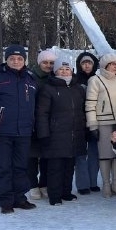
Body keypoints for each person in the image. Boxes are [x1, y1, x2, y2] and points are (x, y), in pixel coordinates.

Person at [0, 44, 39, 214]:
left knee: (21, 167)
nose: (16, 61)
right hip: (2, 132)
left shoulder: (30, 79)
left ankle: (20, 198)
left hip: (24, 132)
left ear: (24, 61)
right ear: (6, 60)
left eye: (19, 58)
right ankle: (6, 200)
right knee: (4, 167)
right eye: (12, 58)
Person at [36, 59, 87, 206]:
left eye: (67, 69)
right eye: (61, 69)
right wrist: (43, 133)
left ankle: (66, 192)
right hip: (55, 135)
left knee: (69, 166)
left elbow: (82, 111)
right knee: (55, 168)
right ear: (55, 71)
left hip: (74, 134)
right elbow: (42, 113)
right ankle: (55, 195)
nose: (64, 71)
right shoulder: (48, 88)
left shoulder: (78, 88)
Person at [85, 53, 116, 198]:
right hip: (104, 122)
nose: (115, 66)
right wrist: (92, 125)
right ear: (105, 65)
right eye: (112, 64)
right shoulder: (96, 80)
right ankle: (106, 184)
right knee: (105, 155)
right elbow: (90, 103)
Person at [27, 48, 56, 201]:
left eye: (51, 63)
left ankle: (43, 183)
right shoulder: (30, 77)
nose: (48, 65)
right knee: (32, 156)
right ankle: (32, 185)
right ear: (39, 63)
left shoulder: (55, 77)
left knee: (47, 155)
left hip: (49, 122)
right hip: (32, 121)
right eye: (45, 62)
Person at [73, 51, 100, 195]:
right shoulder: (75, 80)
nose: (87, 65)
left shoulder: (99, 79)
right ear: (79, 65)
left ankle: (93, 182)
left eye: (89, 62)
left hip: (95, 120)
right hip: (79, 121)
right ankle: (83, 184)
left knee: (94, 152)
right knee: (80, 154)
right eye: (84, 63)